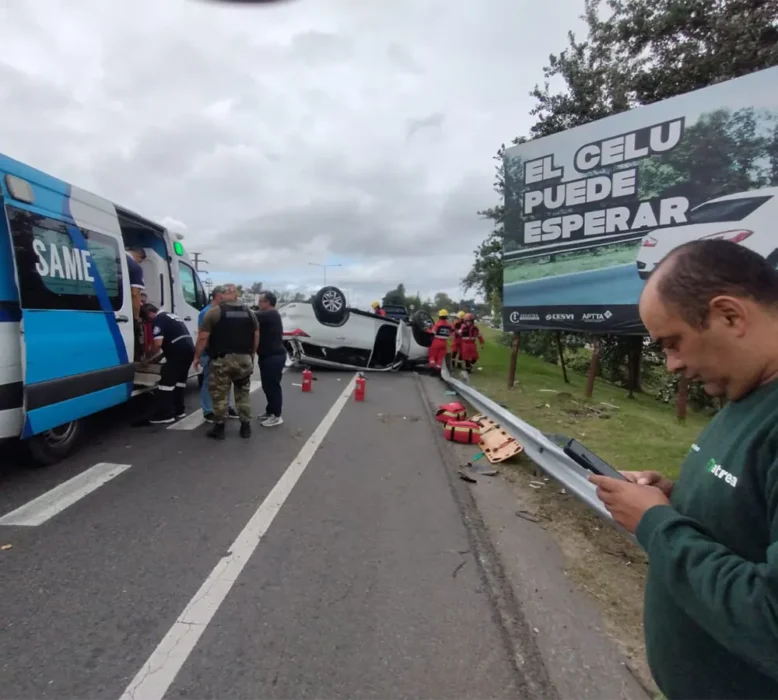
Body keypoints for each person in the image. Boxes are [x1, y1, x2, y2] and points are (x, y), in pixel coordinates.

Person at [589, 239, 778, 700]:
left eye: (673, 343)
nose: (672, 364)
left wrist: (656, 523)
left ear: (729, 315)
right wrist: (675, 497)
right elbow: (750, 508)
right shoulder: (748, 392)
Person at [194, 283, 258, 440]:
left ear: (221, 295)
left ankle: (219, 428)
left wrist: (197, 356)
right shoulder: (249, 313)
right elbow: (256, 334)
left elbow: (203, 337)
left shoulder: (214, 312)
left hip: (222, 361)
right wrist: (252, 353)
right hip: (244, 359)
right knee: (243, 393)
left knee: (220, 394)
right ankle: (245, 427)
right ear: (236, 295)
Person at [135, 303, 194, 425]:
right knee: (179, 382)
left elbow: (157, 344)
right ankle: (179, 410)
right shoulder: (170, 316)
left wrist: (146, 359)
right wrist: (158, 358)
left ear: (149, 314)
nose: (149, 322)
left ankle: (165, 415)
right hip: (187, 350)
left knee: (166, 384)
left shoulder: (159, 319)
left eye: (147, 320)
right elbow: (174, 340)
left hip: (177, 352)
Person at [198, 286, 238, 423]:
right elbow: (203, 335)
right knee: (209, 382)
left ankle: (227, 406)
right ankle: (208, 410)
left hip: (224, 352)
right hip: (210, 352)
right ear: (218, 296)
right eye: (225, 295)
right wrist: (200, 354)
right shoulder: (206, 312)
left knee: (226, 381)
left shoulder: (223, 311)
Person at [255, 291, 286, 427]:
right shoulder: (266, 315)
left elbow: (250, 315)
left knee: (273, 387)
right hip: (266, 355)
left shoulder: (271, 314)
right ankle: (270, 411)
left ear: (267, 302)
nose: (258, 304)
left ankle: (277, 416)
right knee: (267, 386)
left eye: (260, 301)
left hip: (274, 357)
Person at [126, 247, 146, 361]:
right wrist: (136, 316)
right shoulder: (135, 267)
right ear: (139, 255)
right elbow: (135, 293)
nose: (139, 263)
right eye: (140, 261)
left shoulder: (117, 258)